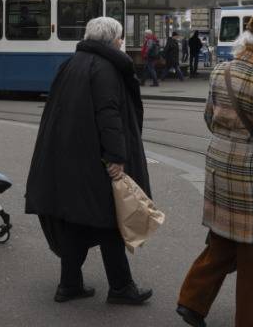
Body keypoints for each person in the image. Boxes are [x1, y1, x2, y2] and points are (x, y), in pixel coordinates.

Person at [177, 14, 253, 327]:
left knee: (223, 240)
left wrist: (227, 140)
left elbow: (208, 118)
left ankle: (192, 300)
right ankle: (252, 320)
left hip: (218, 164)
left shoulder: (222, 70)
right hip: (249, 173)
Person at [26, 17, 153, 305]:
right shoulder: (105, 69)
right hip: (96, 158)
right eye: (120, 38)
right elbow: (109, 116)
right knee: (108, 221)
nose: (122, 43)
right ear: (112, 41)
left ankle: (69, 284)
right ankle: (121, 287)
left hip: (71, 156)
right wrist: (117, 157)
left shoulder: (72, 64)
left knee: (76, 221)